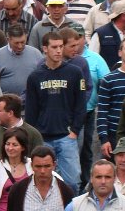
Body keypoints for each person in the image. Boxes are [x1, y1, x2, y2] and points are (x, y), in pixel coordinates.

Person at [23, 30, 86, 187]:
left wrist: (75, 131)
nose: (58, 51)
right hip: (43, 138)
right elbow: (31, 111)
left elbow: (81, 105)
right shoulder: (35, 77)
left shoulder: (75, 73)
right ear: (45, 49)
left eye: (61, 46)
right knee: (42, 182)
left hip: (67, 136)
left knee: (72, 182)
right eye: (54, 47)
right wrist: (34, 137)